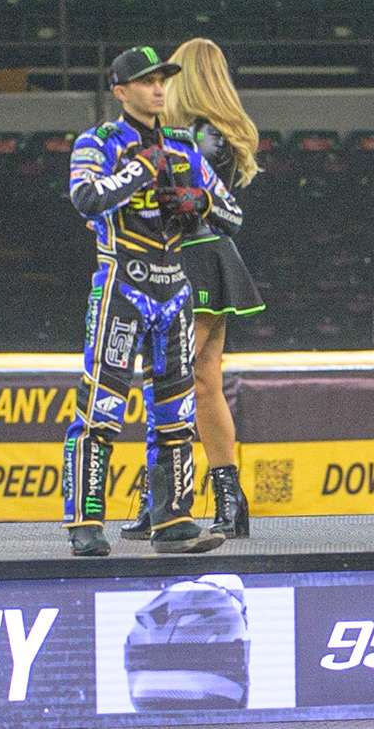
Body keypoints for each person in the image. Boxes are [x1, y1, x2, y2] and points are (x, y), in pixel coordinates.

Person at [63, 46, 242, 557]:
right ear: (121, 91)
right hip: (121, 283)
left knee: (176, 413)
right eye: (145, 81)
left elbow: (233, 215)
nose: (158, 88)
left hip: (175, 289)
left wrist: (199, 202)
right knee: (101, 407)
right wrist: (143, 170)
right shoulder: (97, 142)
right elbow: (85, 199)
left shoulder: (186, 147)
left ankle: (173, 521)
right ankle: (85, 522)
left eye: (162, 79)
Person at [118, 37, 262, 542]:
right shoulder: (212, 133)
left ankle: (166, 501)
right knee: (203, 382)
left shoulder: (195, 136)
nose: (161, 85)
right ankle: (226, 502)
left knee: (173, 379)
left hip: (192, 259)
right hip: (207, 257)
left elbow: (188, 204)